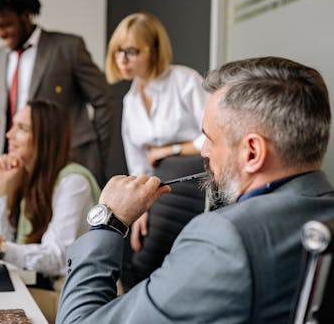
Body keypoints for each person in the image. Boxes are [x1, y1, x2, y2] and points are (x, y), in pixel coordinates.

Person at [56, 56, 334, 323]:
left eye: (210, 138)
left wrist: (108, 222)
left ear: (252, 153)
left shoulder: (224, 240)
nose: (204, 150)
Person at [0, 0, 113, 195]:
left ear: (25, 16)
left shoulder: (68, 47)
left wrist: (96, 153)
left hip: (64, 165)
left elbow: (104, 99)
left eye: (6, 24)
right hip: (14, 167)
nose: (0, 33)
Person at [0, 100, 99, 323]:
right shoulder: (29, 178)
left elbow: (57, 256)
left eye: (22, 129)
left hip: (76, 296)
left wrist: (2, 248)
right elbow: (4, 242)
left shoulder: (74, 182)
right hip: (46, 284)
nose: (9, 134)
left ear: (46, 139)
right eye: (13, 125)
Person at [105, 12, 210, 262]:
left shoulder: (185, 80)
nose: (122, 59)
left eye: (131, 51)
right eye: (118, 51)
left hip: (195, 185)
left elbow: (215, 136)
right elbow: (138, 164)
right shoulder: (130, 101)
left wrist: (171, 150)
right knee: (141, 259)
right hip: (158, 190)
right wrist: (139, 210)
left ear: (152, 50)